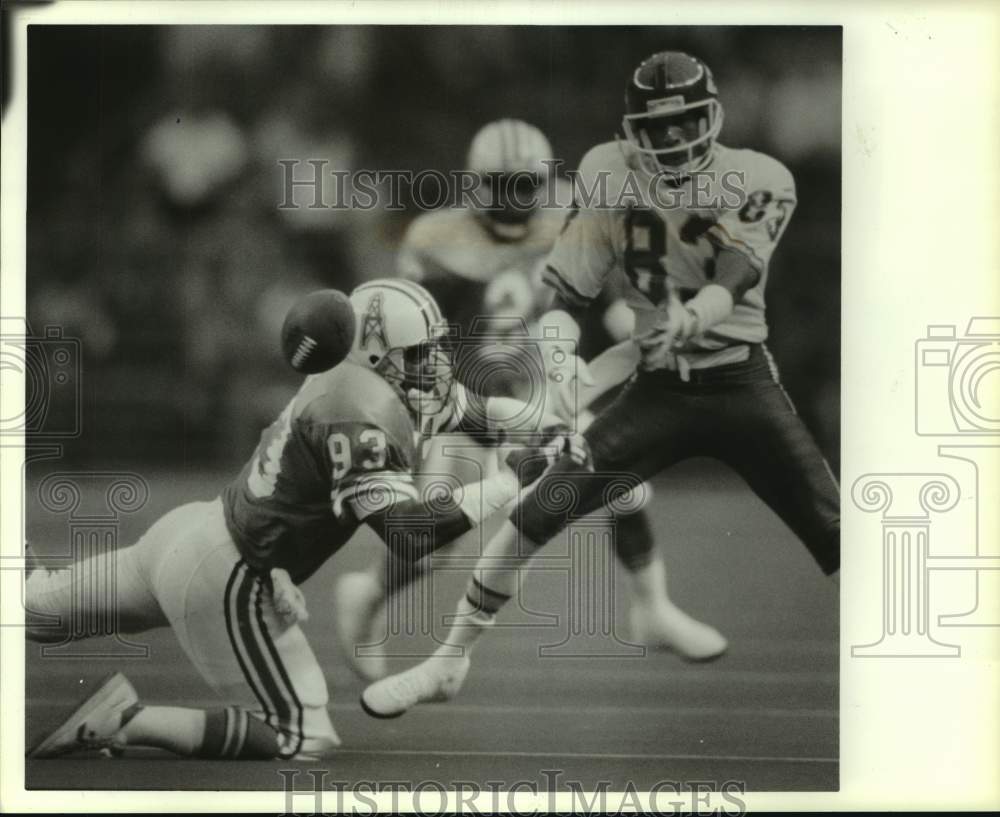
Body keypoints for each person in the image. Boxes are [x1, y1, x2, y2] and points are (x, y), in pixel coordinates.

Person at [361, 51, 841, 718]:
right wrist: (560, 362)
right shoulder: (605, 171)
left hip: (739, 381)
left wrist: (694, 313)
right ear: (632, 130)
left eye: (686, 124)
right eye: (658, 127)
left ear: (713, 118)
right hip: (652, 386)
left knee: (840, 530)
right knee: (533, 514)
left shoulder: (759, 175)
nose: (672, 140)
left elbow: (738, 267)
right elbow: (565, 292)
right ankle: (448, 662)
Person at [25, 279, 571, 760]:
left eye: (435, 347)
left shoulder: (376, 384)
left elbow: (479, 414)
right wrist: (508, 482)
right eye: (419, 351)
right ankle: (125, 721)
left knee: (31, 610)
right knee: (300, 735)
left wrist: (549, 430)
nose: (436, 362)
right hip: (226, 574)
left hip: (195, 535)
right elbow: (410, 534)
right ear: (377, 355)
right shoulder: (359, 411)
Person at [334, 119, 726, 683]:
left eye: (526, 185)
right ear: (475, 182)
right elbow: (408, 335)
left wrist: (653, 337)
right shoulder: (435, 237)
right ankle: (367, 596)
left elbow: (611, 301)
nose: (515, 199)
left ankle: (653, 609)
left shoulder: (573, 216)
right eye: (503, 185)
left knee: (626, 481)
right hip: (463, 400)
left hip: (540, 391)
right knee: (433, 543)